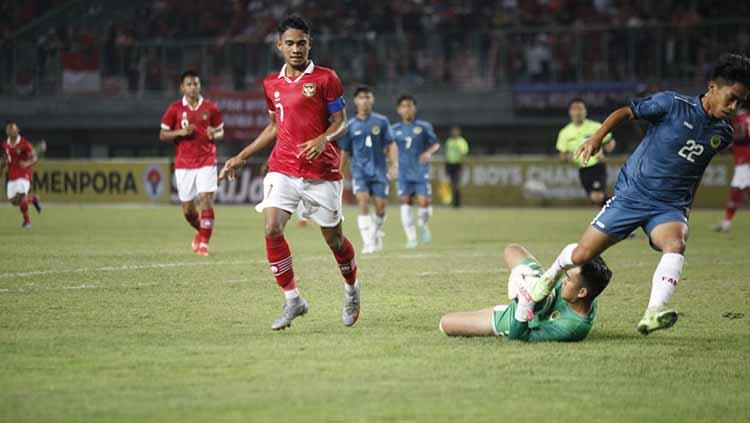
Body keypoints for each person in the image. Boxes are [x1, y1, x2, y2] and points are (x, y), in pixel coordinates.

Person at [530, 54, 750, 336]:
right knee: (583, 254)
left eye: (740, 102)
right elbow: (625, 113)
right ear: (712, 87)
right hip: (632, 195)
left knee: (676, 243)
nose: (734, 107)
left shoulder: (723, 132)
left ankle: (653, 311)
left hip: (669, 206)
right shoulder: (671, 104)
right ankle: (551, 275)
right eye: (731, 98)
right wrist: (596, 138)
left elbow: (697, 169)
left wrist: (686, 208)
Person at [219, 15, 359, 330]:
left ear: (310, 44)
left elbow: (340, 122)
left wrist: (323, 138)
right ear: (279, 46)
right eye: (290, 43)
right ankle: (293, 299)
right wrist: (241, 156)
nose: (296, 49)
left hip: (320, 172)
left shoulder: (326, 78)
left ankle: (351, 289)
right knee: (271, 228)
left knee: (334, 240)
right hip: (282, 166)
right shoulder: (271, 84)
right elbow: (274, 126)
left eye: (302, 43)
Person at [439, 244, 611, 342]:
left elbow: (518, 336)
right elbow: (511, 251)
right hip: (536, 289)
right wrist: (525, 276)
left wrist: (525, 304)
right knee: (512, 249)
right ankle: (528, 282)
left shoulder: (571, 328)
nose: (564, 280)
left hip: (519, 319)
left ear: (581, 292)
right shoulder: (586, 292)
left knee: (445, 323)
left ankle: (525, 297)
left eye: (568, 279)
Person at [160, 70, 224, 256]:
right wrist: (179, 132)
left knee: (206, 199)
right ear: (182, 87)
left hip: (207, 160)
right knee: (188, 209)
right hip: (184, 163)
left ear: (200, 86)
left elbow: (221, 131)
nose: (193, 87)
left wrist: (214, 133)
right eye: (189, 84)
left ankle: (204, 242)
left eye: (196, 83)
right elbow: (163, 134)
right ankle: (201, 230)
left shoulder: (211, 108)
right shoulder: (174, 109)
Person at [339, 85, 398, 254]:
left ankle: (376, 232)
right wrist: (339, 172)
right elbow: (345, 151)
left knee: (380, 207)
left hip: (379, 171)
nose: (364, 100)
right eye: (361, 97)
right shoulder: (349, 125)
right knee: (363, 201)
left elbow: (391, 144)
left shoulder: (382, 121)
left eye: (367, 97)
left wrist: (394, 165)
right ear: (356, 101)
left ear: (372, 100)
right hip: (360, 171)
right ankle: (368, 243)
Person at [392, 95, 439, 248]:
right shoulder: (394, 130)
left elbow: (435, 144)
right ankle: (411, 238)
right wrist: (393, 165)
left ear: (414, 108)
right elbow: (388, 148)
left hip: (420, 171)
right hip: (403, 172)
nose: (407, 109)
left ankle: (423, 224)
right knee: (406, 202)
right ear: (399, 110)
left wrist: (428, 153)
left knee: (424, 203)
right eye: (404, 106)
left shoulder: (424, 127)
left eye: (410, 105)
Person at [556, 98, 616, 207]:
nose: (577, 112)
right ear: (570, 112)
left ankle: (623, 209)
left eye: (580, 109)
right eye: (574, 109)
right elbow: (562, 155)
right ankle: (617, 212)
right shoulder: (565, 132)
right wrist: (567, 157)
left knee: (597, 197)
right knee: (596, 200)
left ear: (585, 111)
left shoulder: (595, 127)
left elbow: (610, 142)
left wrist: (605, 153)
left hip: (597, 166)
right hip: (582, 169)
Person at [712, 103, 750, 232]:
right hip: (745, 159)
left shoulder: (739, 119)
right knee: (739, 192)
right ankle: (726, 223)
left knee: (736, 191)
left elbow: (742, 134)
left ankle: (726, 223)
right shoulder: (747, 117)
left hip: (745, 160)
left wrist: (727, 140)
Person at [1, 122, 42, 228]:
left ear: (17, 131)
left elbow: (34, 158)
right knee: (13, 202)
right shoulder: (5, 144)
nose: (11, 131)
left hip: (24, 175)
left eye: (13, 129)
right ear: (7, 132)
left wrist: (27, 163)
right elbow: (6, 159)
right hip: (11, 176)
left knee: (21, 197)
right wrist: (2, 167)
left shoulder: (24, 143)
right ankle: (33, 200)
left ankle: (27, 222)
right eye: (9, 129)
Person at [444, 125, 469, 208]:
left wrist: (461, 162)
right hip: (450, 164)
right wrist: (446, 165)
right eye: (453, 131)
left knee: (456, 184)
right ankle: (454, 203)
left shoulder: (461, 142)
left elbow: (464, 152)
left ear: (459, 132)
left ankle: (457, 203)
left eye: (456, 131)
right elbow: (447, 154)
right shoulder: (449, 141)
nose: (454, 133)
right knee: (452, 184)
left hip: (458, 164)